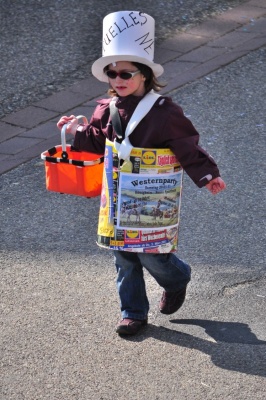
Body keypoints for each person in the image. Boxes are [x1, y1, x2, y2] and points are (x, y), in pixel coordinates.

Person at [57, 11, 226, 336]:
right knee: (124, 257)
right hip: (118, 197)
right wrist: (77, 130)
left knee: (153, 256)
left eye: (126, 73)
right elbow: (97, 141)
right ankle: (132, 312)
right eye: (112, 73)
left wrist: (208, 175)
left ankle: (177, 278)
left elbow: (186, 144)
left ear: (145, 75)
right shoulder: (105, 108)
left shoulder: (164, 112)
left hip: (152, 197)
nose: (117, 79)